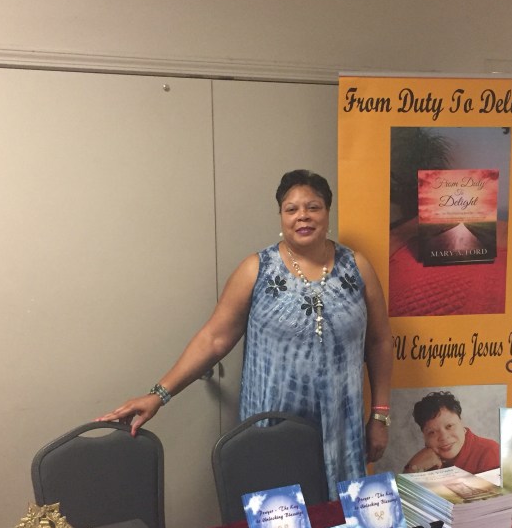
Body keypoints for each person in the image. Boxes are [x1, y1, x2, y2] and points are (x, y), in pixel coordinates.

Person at [97, 169, 392, 497]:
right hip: (271, 431)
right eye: (291, 209)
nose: (303, 216)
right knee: (279, 520)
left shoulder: (357, 267)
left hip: (342, 431)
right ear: (280, 216)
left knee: (342, 522)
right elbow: (214, 339)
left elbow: (379, 342)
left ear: (327, 212)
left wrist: (380, 416)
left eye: (313, 207)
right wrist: (158, 395)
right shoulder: (258, 269)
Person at [403, 390, 499, 475]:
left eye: (449, 426)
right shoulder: (424, 461)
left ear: (461, 422)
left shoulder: (490, 452)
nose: (443, 437)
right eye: (432, 432)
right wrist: (411, 470)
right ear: (424, 437)